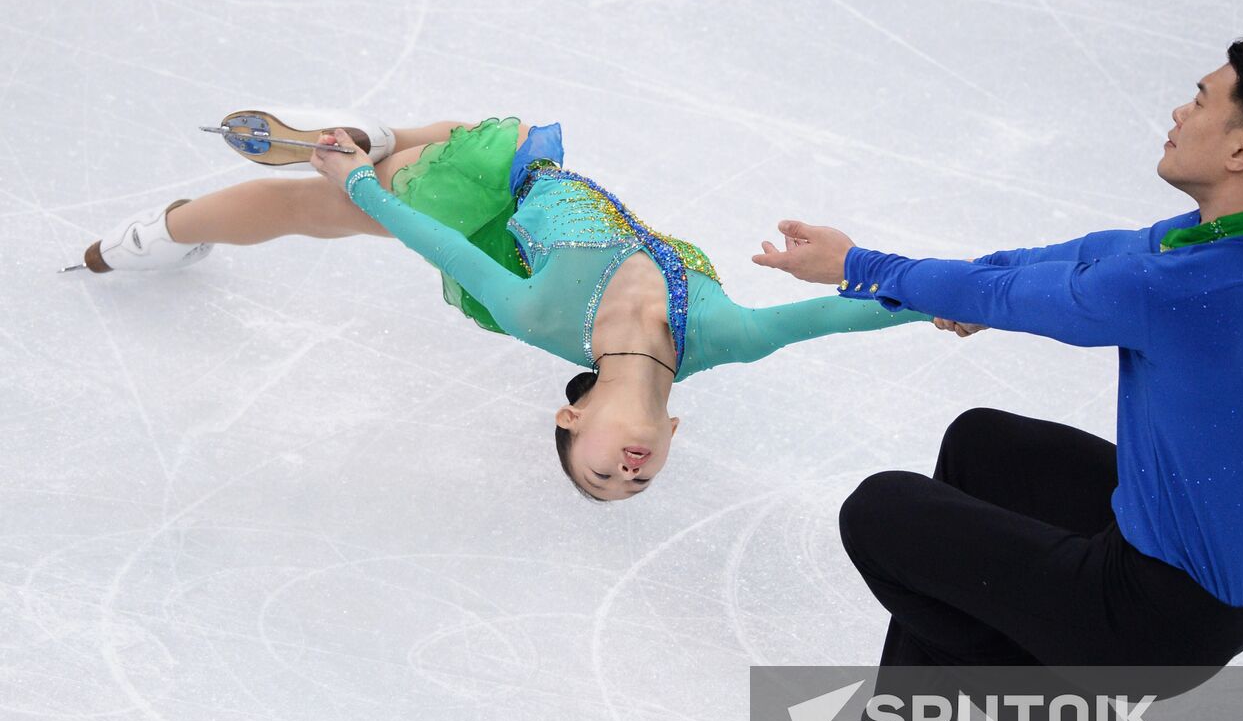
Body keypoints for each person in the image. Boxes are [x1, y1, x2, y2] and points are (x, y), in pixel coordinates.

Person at [751, 37, 1243, 721]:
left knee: (877, 513)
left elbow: (1067, 295)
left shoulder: (1185, 290)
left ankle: (1060, 711)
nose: (1179, 109)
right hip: (1225, 571)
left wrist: (862, 265)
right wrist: (973, 286)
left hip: (1158, 614)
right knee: (981, 446)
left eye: (1201, 99)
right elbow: (1090, 257)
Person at [76, 113, 934, 501]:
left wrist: (361, 184)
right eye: (638, 478)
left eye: (601, 473)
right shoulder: (726, 337)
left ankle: (157, 233)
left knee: (324, 209)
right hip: (520, 181)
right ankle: (381, 136)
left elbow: (438, 248)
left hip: (477, 216)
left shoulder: (538, 319)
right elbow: (839, 314)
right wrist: (957, 302)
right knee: (459, 144)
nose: (628, 470)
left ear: (571, 417)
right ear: (671, 437)